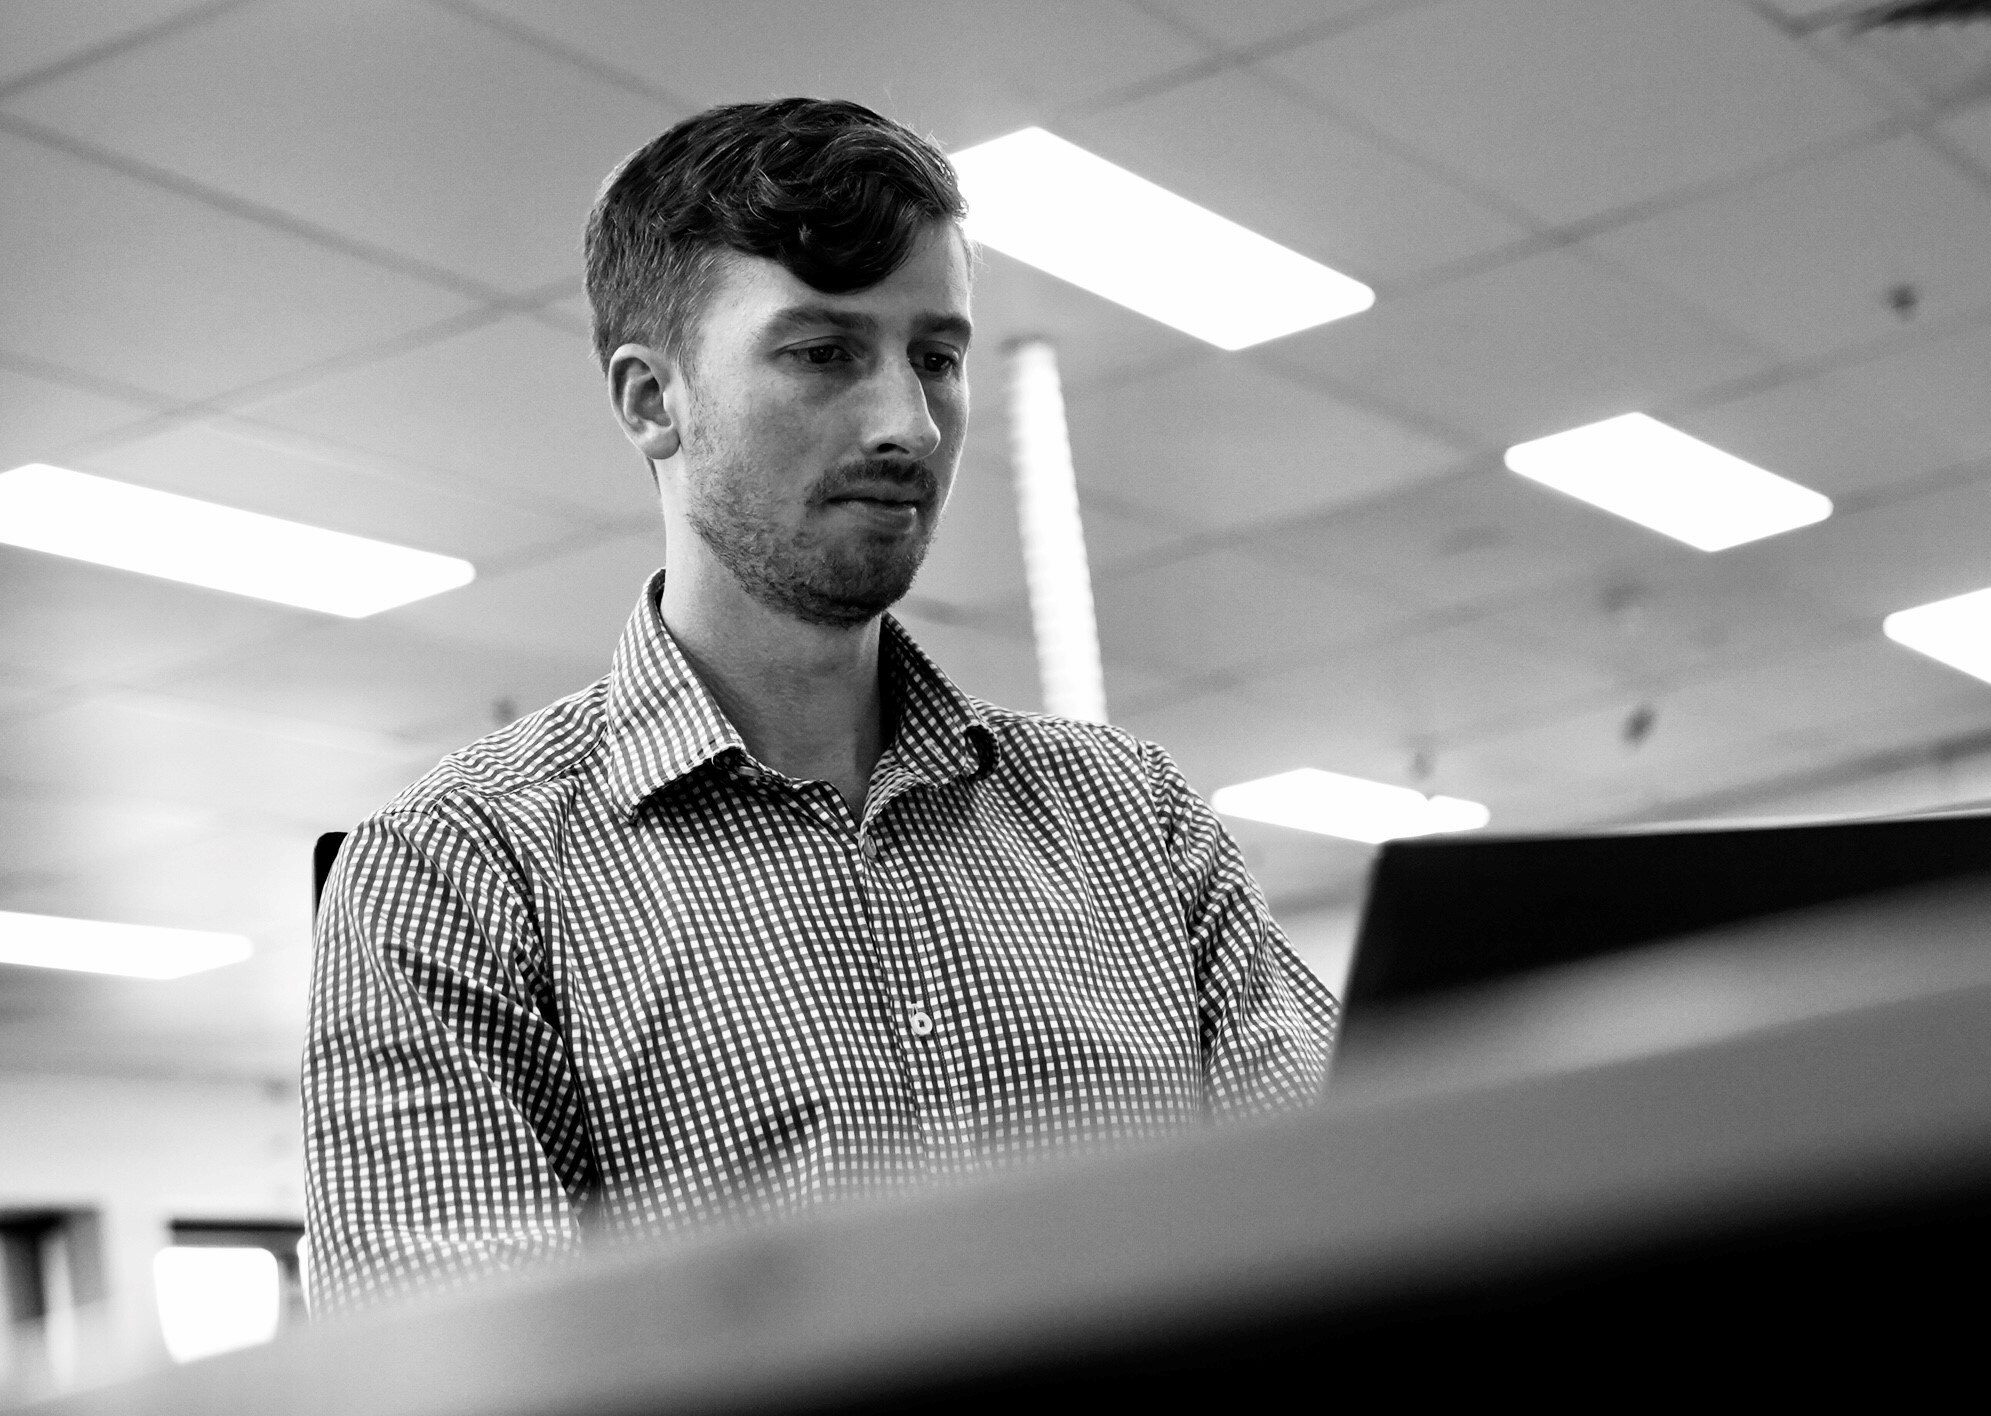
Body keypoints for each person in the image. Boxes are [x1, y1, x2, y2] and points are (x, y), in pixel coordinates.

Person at [302, 98, 1337, 1315]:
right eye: (821, 353)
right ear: (650, 398)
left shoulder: (1137, 822)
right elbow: (460, 1377)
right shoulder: (457, 876)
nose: (908, 424)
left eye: (935, 357)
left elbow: (1357, 1215)